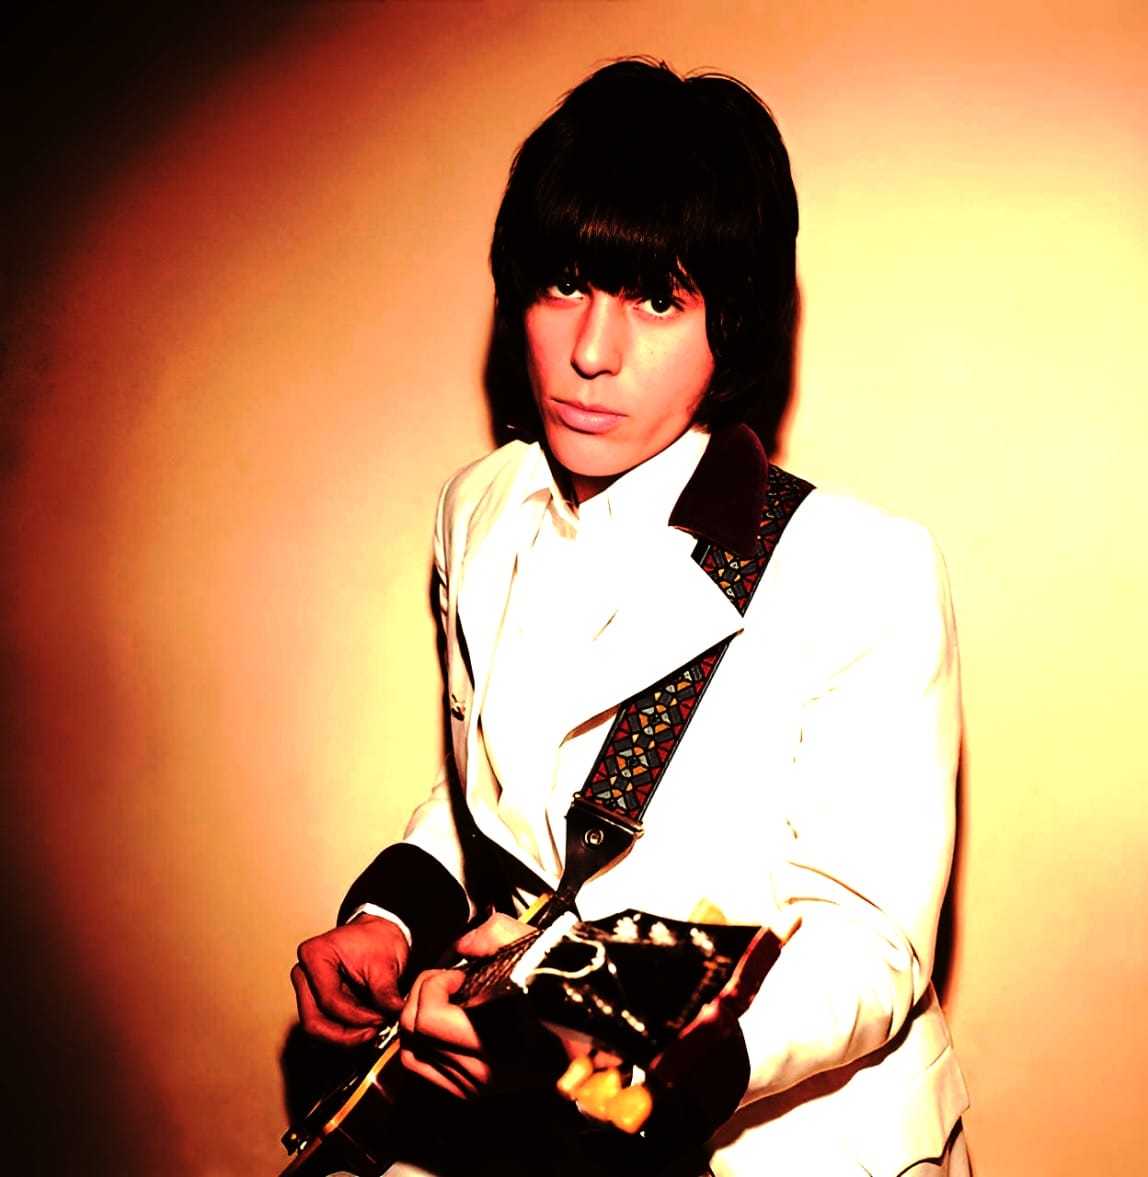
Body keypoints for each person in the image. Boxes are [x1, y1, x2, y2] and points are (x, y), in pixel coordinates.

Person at [291, 58, 971, 1176]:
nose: (591, 353)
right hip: (525, 1121)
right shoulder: (478, 508)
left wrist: (623, 1061)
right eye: (562, 284)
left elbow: (865, 945)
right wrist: (390, 921)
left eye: (657, 298)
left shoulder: (857, 569)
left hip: (776, 1134)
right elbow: (507, 802)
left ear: (731, 324)